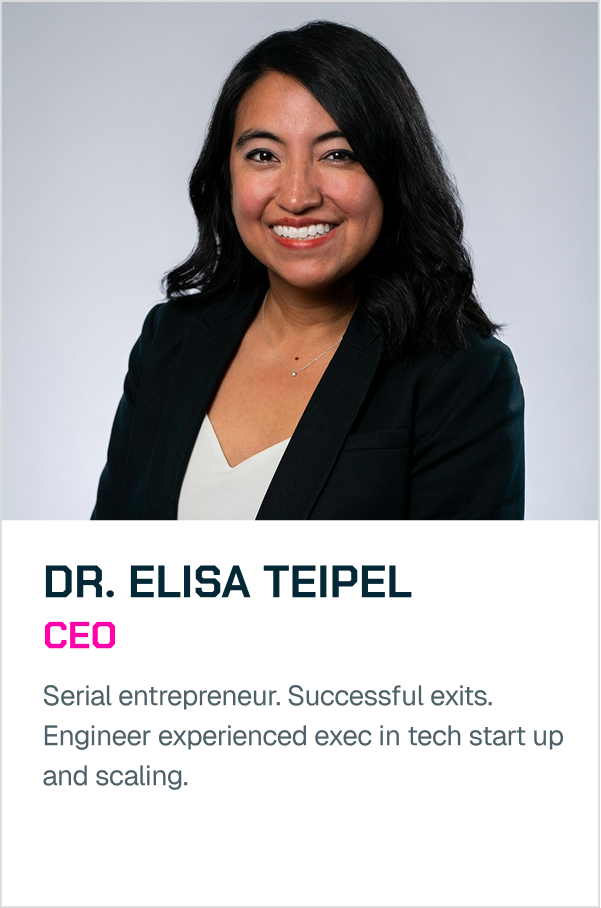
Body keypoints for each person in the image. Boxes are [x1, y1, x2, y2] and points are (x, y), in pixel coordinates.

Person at [92, 20, 524, 522]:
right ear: (226, 174)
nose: (297, 196)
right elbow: (112, 565)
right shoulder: (169, 338)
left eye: (338, 155)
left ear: (392, 173)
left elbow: (466, 600)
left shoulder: (463, 375)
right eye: (263, 155)